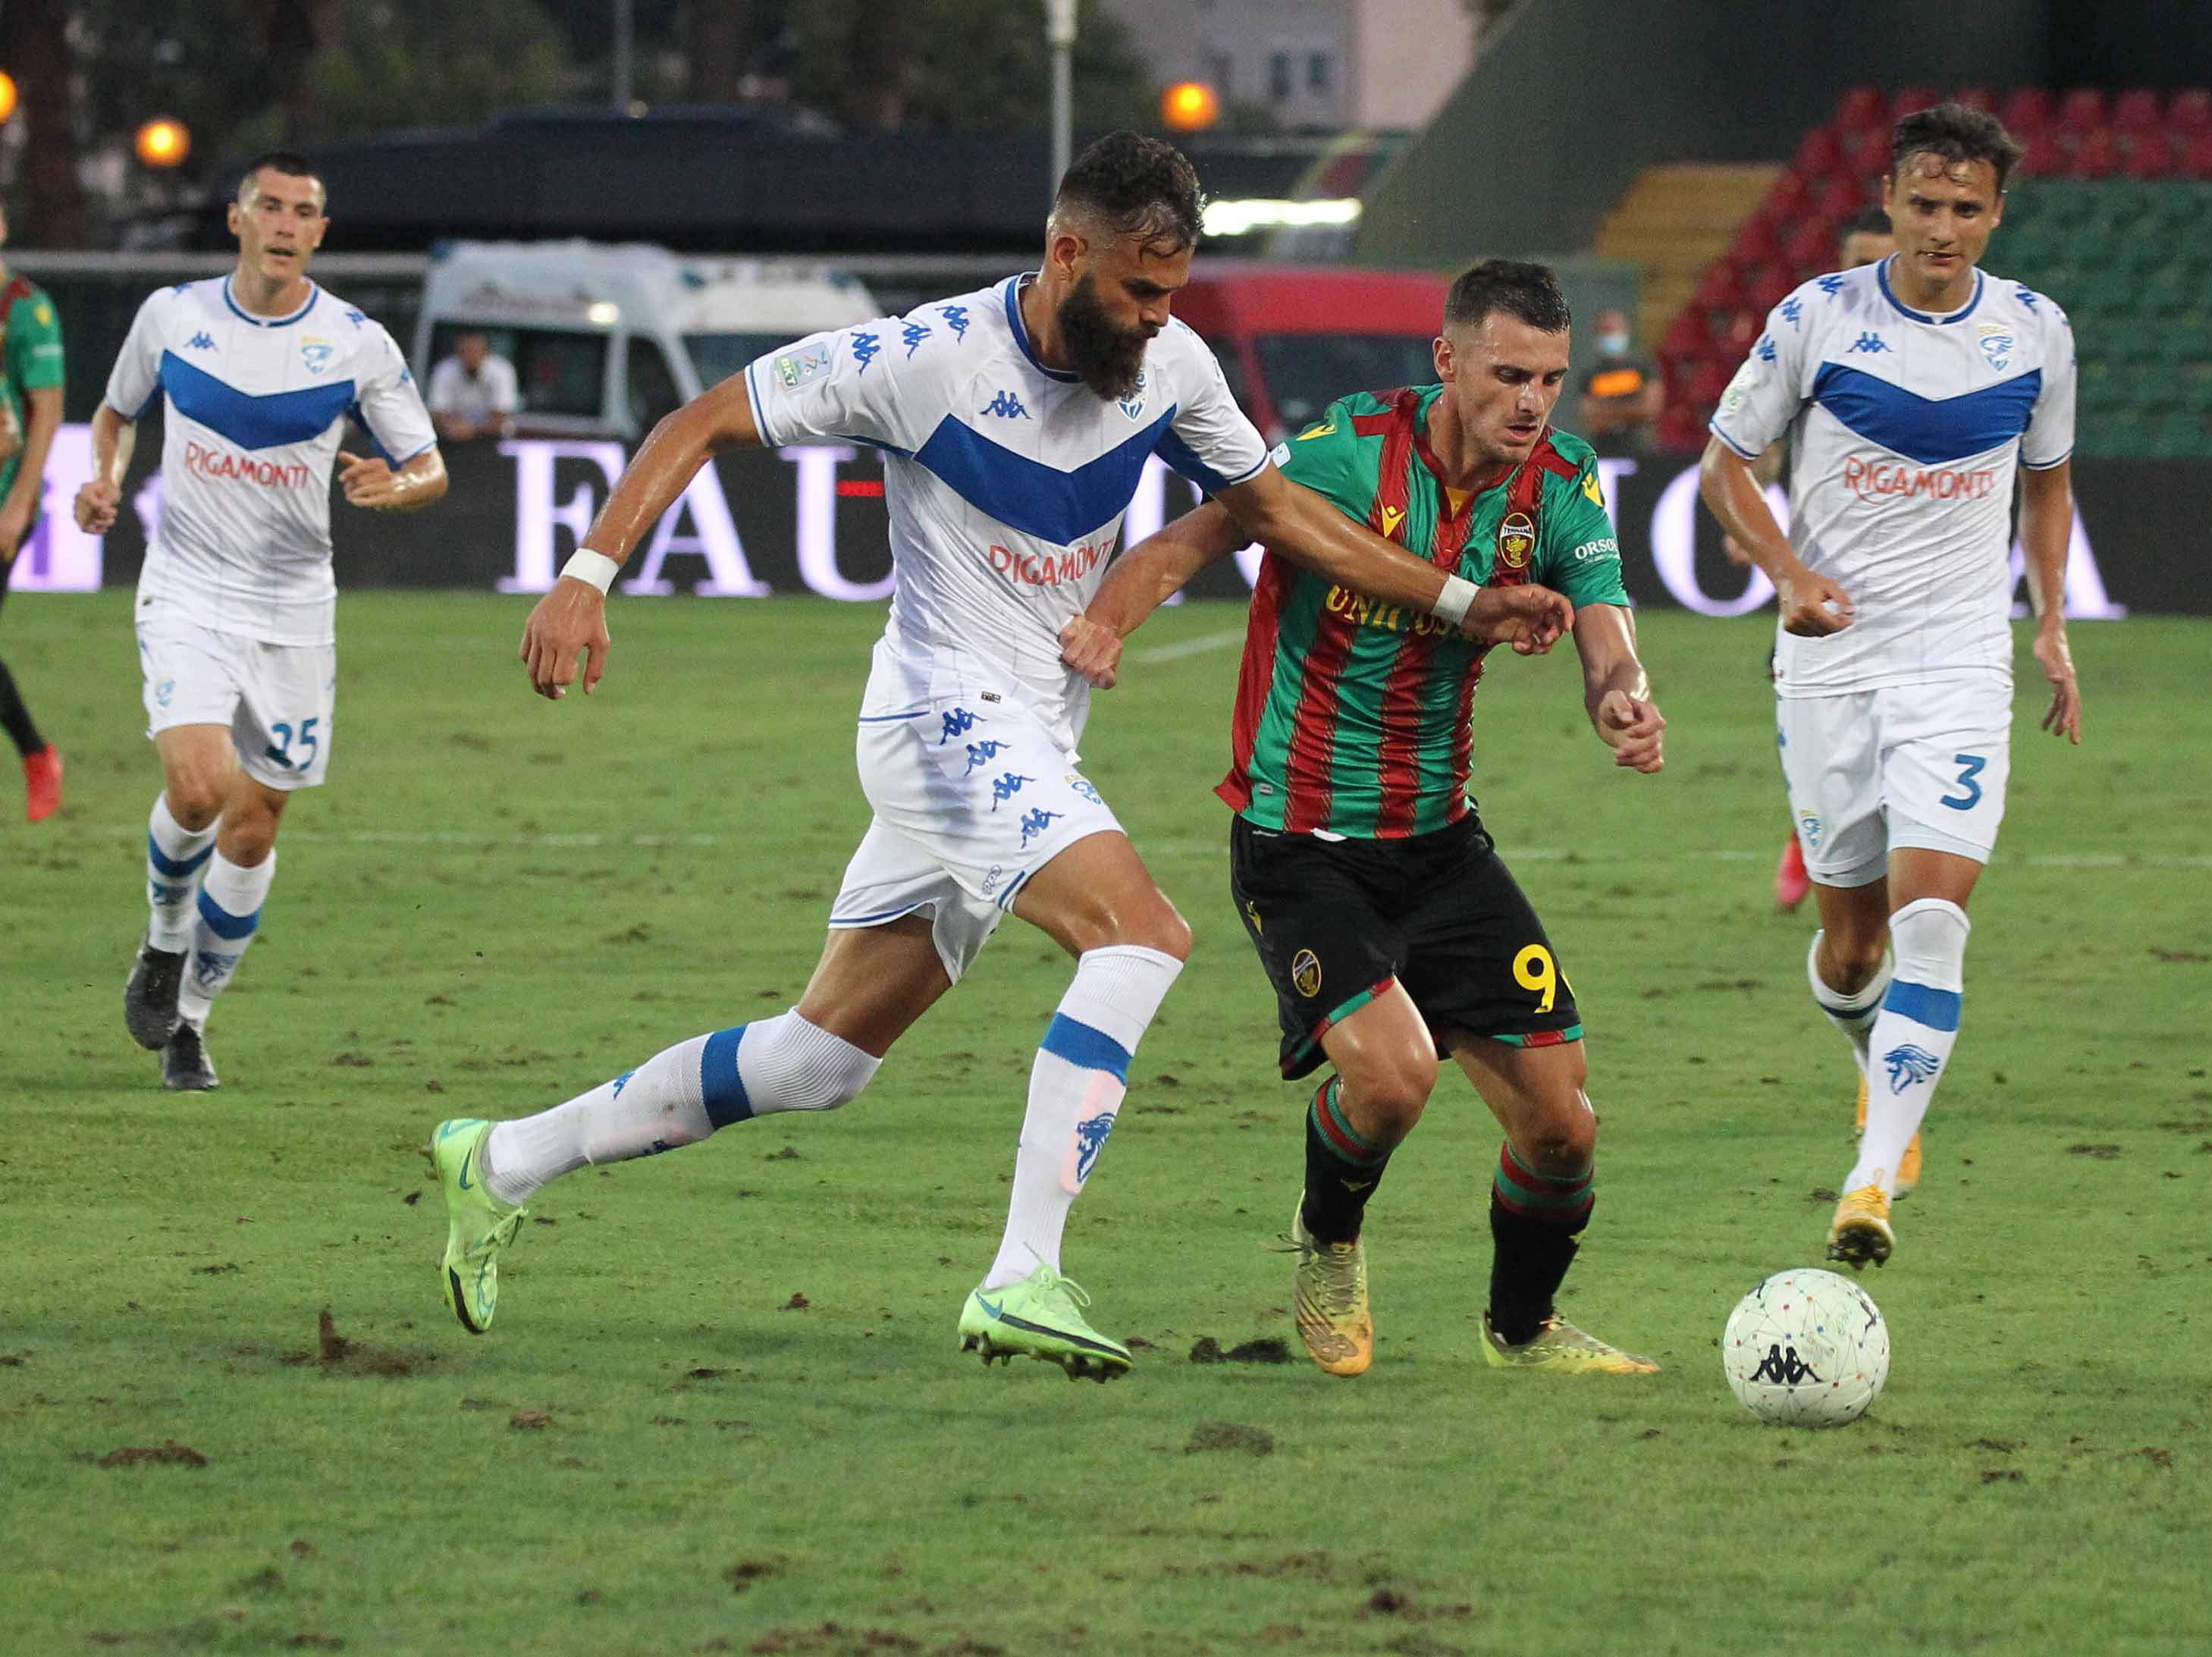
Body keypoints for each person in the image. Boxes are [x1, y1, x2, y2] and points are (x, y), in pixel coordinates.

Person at [432, 133, 1574, 1376]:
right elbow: (704, 418)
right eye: (1139, 289)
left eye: (1173, 292)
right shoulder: (925, 361)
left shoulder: (1173, 365)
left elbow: (1276, 512)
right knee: (1142, 936)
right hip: (938, 718)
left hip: (1022, 738)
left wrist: (1463, 602)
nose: (1158, 317)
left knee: (820, 1060)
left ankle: (502, 1159)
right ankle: (1022, 1272)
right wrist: (589, 575)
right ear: (1066, 252)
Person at [1062, 259, 1668, 1376]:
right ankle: (1328, 1239)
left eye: (1550, 378)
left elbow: (1602, 616)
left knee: (1562, 1128)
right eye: (1508, 375)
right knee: (1392, 1079)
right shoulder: (1347, 454)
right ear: (1446, 360)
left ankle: (1521, 1330)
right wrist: (1108, 620)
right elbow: (1199, 536)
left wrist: (1622, 692)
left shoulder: (1560, 482)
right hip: (1301, 844)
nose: (1532, 402)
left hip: (1440, 844)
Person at [1697, 103, 2081, 1266]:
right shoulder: (1816, 318)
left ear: (1996, 214)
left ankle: (1869, 1185)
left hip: (1958, 663)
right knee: (1855, 949)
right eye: (1925, 204)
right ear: (1890, 202)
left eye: (1966, 207)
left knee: (1933, 921)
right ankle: (1872, 1048)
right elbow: (1723, 469)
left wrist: (2050, 624)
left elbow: (2049, 484)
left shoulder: (2036, 333)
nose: (1943, 227)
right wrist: (1787, 572)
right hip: (1830, 662)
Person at [76, 153, 447, 1091]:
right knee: (199, 788)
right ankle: (164, 944)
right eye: (269, 206)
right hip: (187, 588)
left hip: (293, 609)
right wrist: (104, 481)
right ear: (237, 219)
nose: (285, 223)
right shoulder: (173, 316)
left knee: (251, 832)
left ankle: (191, 1023)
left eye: (303, 212)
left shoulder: (356, 342)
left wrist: (396, 485)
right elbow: (116, 413)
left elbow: (430, 466)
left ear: (319, 233)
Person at [1750, 209, 1900, 914]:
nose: (1871, 277)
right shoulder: (1811, 337)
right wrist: (1754, 515)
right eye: (1859, 263)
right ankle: (1804, 832)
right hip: (1826, 577)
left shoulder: (1945, 348)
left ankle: (1881, 864)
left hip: (1918, 579)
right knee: (1828, 731)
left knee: (1899, 733)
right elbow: (1761, 437)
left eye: (1883, 261)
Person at [0, 205, 67, 822]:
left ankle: (36, 755)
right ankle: (36, 753)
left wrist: (19, 502)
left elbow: (45, 410)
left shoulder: (25, 307)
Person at [1571, 306, 1661, 460]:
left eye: (1614, 329)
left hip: (1641, 449)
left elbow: (1651, 408)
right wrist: (1632, 409)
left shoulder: (1643, 366)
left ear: (1625, 330)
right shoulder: (1590, 374)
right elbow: (1589, 417)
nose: (1610, 335)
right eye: (1604, 330)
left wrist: (1606, 410)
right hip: (1602, 451)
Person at [427, 328, 518, 442]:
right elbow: (436, 412)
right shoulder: (445, 369)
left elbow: (501, 417)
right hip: (452, 437)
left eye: (473, 351)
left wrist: (472, 429)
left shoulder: (502, 371)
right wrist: (451, 425)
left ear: (485, 352)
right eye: (464, 351)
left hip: (493, 439)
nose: (469, 357)